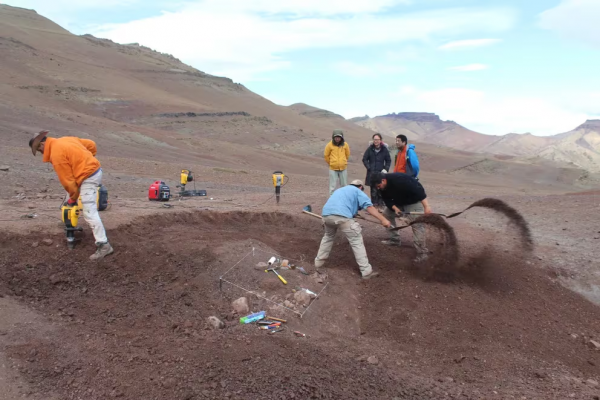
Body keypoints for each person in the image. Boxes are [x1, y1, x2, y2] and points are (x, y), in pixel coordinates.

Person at [29, 130, 114, 260]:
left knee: (89, 212)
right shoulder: (66, 139)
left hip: (88, 177)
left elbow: (68, 182)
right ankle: (70, 224)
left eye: (40, 150)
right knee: (71, 194)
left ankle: (104, 245)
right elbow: (91, 144)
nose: (42, 154)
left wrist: (73, 198)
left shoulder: (56, 155)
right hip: (95, 171)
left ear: (41, 145)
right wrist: (85, 160)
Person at [314, 179, 391, 279]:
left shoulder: (340, 190)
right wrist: (383, 220)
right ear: (360, 187)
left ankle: (318, 264)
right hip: (342, 216)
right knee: (356, 240)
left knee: (328, 237)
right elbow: (369, 207)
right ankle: (366, 271)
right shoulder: (357, 191)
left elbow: (343, 204)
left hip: (326, 216)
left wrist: (353, 213)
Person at [370, 172, 431, 263]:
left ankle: (422, 252)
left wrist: (426, 206)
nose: (378, 188)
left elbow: (418, 189)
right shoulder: (381, 186)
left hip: (412, 202)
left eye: (379, 186)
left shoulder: (400, 180)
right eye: (377, 187)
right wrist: (395, 208)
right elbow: (386, 200)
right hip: (399, 202)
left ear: (383, 180)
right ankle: (394, 240)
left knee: (417, 224)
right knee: (387, 214)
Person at [362, 133, 391, 208]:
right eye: (374, 139)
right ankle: (374, 206)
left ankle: (381, 206)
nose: (376, 141)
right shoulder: (370, 149)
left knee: (381, 189)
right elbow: (364, 159)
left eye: (377, 140)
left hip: (381, 173)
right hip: (372, 173)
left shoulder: (384, 149)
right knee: (373, 190)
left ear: (380, 140)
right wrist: (369, 167)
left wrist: (386, 169)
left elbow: (388, 160)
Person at [324, 129, 350, 196]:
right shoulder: (329, 145)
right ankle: (332, 199)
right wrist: (331, 163)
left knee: (344, 185)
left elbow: (347, 154)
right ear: (333, 137)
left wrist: (343, 162)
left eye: (339, 137)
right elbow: (326, 155)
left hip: (343, 168)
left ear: (341, 137)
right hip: (333, 168)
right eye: (336, 137)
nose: (337, 139)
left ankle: (345, 198)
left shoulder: (345, 145)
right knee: (332, 186)